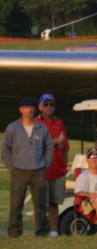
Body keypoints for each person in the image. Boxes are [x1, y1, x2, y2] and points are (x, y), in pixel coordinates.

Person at [3, 97, 54, 237]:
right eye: (26, 107)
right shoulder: (12, 128)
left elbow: (49, 147)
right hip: (19, 171)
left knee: (41, 205)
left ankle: (42, 232)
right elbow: (5, 149)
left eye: (31, 107)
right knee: (16, 205)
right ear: (21, 110)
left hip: (38, 171)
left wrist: (46, 165)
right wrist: (11, 167)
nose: (29, 109)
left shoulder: (42, 128)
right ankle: (14, 232)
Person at [36, 93, 69, 236]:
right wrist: (54, 141)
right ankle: (41, 230)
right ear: (40, 107)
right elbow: (37, 145)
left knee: (54, 203)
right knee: (41, 203)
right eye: (46, 104)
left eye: (51, 104)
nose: (49, 107)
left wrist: (65, 164)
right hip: (42, 169)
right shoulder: (36, 124)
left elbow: (66, 146)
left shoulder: (59, 123)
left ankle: (54, 231)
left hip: (57, 169)